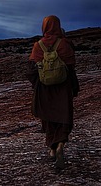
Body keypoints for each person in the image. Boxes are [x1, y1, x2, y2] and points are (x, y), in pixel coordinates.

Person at [27, 15, 79, 169]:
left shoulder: (38, 45)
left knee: (48, 118)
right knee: (64, 116)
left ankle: (51, 149)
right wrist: (73, 86)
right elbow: (71, 67)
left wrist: (37, 83)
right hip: (62, 88)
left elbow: (31, 70)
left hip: (45, 88)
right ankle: (61, 144)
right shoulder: (64, 44)